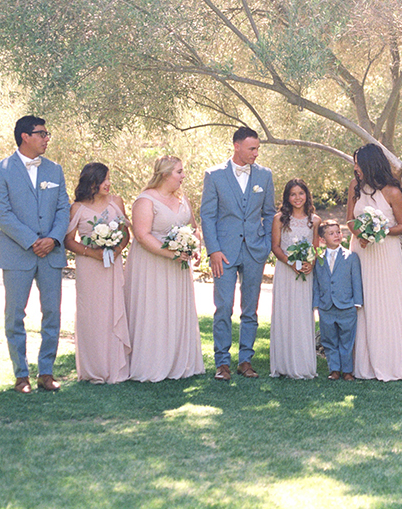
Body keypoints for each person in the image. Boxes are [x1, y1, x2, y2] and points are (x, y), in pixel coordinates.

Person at [0, 115, 70, 393]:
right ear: (25, 136)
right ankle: (21, 374)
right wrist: (32, 240)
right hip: (17, 253)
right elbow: (1, 212)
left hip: (51, 253)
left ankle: (46, 372)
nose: (47, 138)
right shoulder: (0, 170)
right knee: (14, 315)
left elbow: (63, 209)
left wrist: (53, 239)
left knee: (52, 313)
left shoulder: (55, 170)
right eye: (42, 133)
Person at [201, 126, 276, 381]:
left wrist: (266, 245)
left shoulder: (265, 176)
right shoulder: (214, 175)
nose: (256, 153)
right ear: (237, 146)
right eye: (251, 148)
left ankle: (245, 360)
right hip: (224, 253)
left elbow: (269, 213)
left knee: (250, 309)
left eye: (257, 149)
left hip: (255, 251)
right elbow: (208, 215)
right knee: (223, 307)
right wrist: (213, 250)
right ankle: (222, 362)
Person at [124, 156, 205, 382]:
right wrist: (173, 253)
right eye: (179, 172)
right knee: (155, 309)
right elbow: (141, 235)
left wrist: (195, 246)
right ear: (165, 174)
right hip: (152, 265)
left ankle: (178, 361)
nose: (183, 176)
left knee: (175, 309)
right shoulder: (145, 200)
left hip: (177, 267)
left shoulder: (182, 198)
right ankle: (152, 363)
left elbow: (194, 227)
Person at [347, 144, 402, 381]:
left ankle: (392, 363)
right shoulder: (355, 188)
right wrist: (361, 234)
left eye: (358, 162)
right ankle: (365, 365)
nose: (355, 167)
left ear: (370, 164)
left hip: (386, 254)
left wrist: (378, 233)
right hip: (361, 252)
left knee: (387, 304)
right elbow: (349, 220)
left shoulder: (392, 191)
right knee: (364, 303)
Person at [64, 163, 131, 384]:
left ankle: (116, 367)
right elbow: (68, 240)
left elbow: (125, 234)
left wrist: (116, 249)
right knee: (91, 315)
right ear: (91, 182)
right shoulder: (78, 208)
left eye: (109, 178)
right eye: (104, 180)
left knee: (114, 310)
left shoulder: (117, 202)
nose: (108, 184)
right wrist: (92, 253)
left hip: (112, 265)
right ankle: (93, 369)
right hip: (89, 268)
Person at [270, 178, 320, 379]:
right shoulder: (279, 219)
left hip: (305, 274)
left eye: (301, 193)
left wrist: (310, 263)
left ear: (306, 195)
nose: (297, 198)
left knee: (302, 314)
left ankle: (303, 363)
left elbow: (315, 248)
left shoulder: (314, 220)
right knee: (285, 313)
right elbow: (275, 246)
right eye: (293, 194)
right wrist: (291, 263)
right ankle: (283, 363)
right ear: (287, 197)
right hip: (286, 271)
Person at [312, 220, 363, 381]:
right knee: (329, 339)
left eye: (338, 232)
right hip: (326, 306)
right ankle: (334, 369)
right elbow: (316, 283)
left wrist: (357, 302)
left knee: (347, 339)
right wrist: (316, 303)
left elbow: (356, 280)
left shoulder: (351, 257)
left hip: (346, 305)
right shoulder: (318, 259)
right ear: (322, 239)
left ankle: (347, 370)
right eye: (331, 233)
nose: (336, 235)